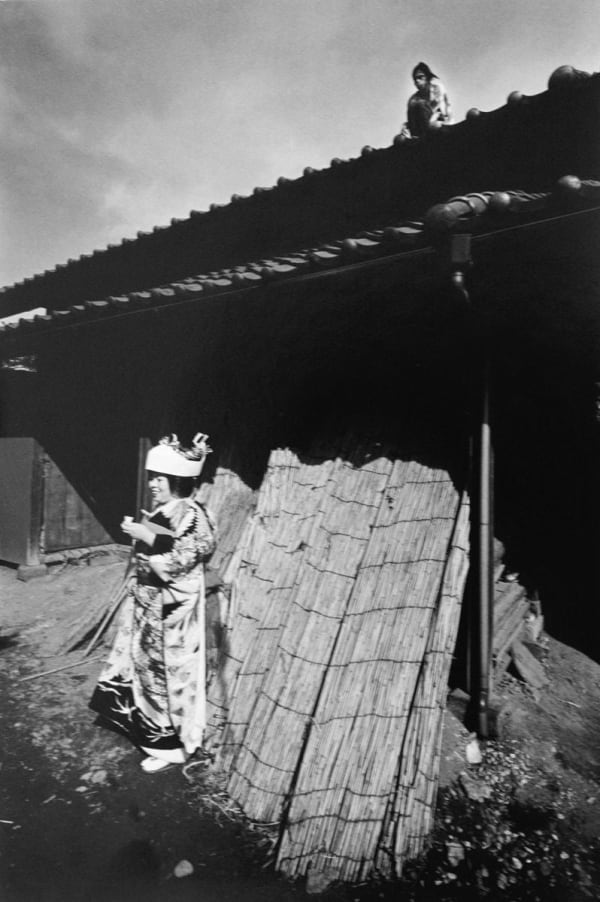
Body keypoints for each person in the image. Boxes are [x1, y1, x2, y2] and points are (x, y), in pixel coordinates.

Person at [89, 432, 217, 773]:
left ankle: (171, 746)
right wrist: (146, 531)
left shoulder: (193, 514)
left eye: (158, 478)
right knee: (142, 670)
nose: (152, 485)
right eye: (152, 478)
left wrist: (146, 536)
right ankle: (144, 731)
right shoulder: (166, 510)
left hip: (170, 614)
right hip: (148, 608)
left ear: (176, 480)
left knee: (164, 678)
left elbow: (187, 556)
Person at [401, 61, 452, 139]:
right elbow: (412, 118)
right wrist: (406, 127)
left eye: (420, 77)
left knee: (421, 104)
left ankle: (425, 136)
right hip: (421, 128)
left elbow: (441, 111)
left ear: (427, 78)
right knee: (414, 103)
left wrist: (431, 124)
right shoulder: (413, 99)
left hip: (440, 121)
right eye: (415, 79)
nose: (417, 81)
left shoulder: (437, 89)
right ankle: (416, 138)